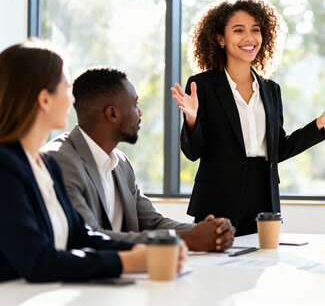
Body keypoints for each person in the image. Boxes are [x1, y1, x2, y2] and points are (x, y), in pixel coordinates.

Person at [171, 0, 325, 236]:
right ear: (220, 38)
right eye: (238, 30)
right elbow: (192, 153)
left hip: (263, 197)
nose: (249, 38)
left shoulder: (271, 89)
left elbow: (279, 149)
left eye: (256, 30)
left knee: (261, 264)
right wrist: (191, 119)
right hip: (217, 198)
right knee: (217, 267)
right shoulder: (203, 86)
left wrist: (319, 123)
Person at [0, 40, 183, 282]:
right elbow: (37, 260)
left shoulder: (47, 167)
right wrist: (126, 262)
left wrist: (145, 251)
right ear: (44, 99)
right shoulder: (5, 168)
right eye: (66, 89)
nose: (73, 100)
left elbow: (81, 236)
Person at [43, 67, 235, 252]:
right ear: (112, 114)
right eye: (135, 104)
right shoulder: (60, 161)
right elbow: (88, 237)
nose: (140, 113)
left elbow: (152, 222)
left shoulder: (121, 163)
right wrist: (186, 239)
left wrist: (208, 232)